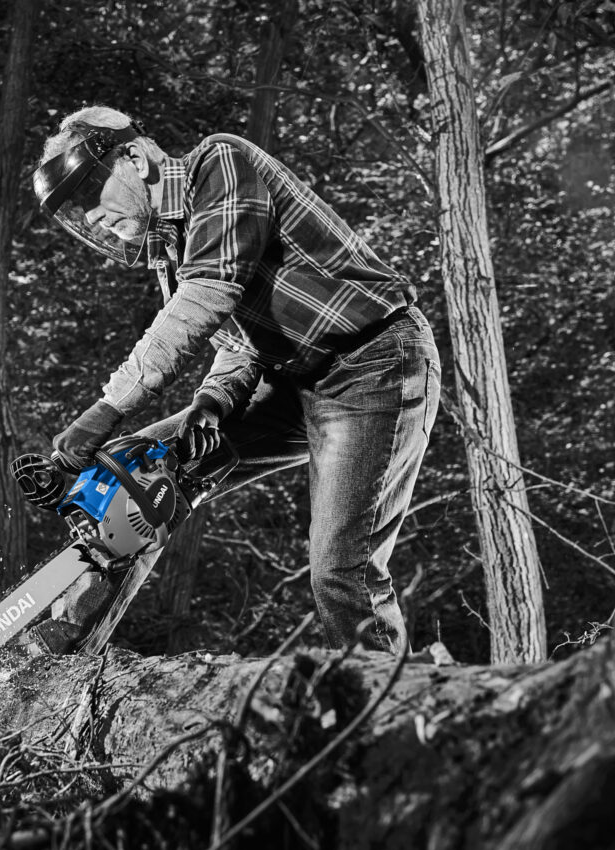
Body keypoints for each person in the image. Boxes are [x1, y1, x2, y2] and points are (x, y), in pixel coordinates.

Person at [27, 105, 440, 655]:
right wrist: (211, 403)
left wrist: (107, 408)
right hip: (294, 380)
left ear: (131, 156)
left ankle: (388, 710)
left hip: (374, 365)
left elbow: (211, 294)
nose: (91, 219)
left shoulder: (219, 162)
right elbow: (235, 343)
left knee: (342, 572)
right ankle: (63, 641)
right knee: (142, 472)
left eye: (89, 194)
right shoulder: (172, 250)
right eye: (75, 212)